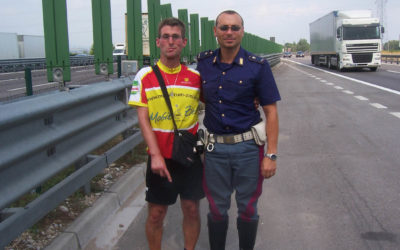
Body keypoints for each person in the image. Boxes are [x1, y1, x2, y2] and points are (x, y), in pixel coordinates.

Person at [196, 10, 281, 250]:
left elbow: (271, 112)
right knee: (216, 208)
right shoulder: (204, 63)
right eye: (224, 28)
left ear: (242, 31)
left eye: (235, 28)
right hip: (214, 149)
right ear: (215, 32)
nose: (229, 32)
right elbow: (201, 95)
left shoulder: (258, 66)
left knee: (248, 207)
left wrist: (271, 155)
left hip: (248, 149)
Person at [128, 17, 204, 250]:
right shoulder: (144, 76)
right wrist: (156, 156)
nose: (171, 42)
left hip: (189, 155)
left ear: (184, 42)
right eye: (166, 37)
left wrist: (250, 100)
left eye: (176, 37)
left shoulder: (196, 78)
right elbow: (143, 118)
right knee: (156, 214)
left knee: (191, 209)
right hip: (160, 157)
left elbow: (220, 102)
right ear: (158, 42)